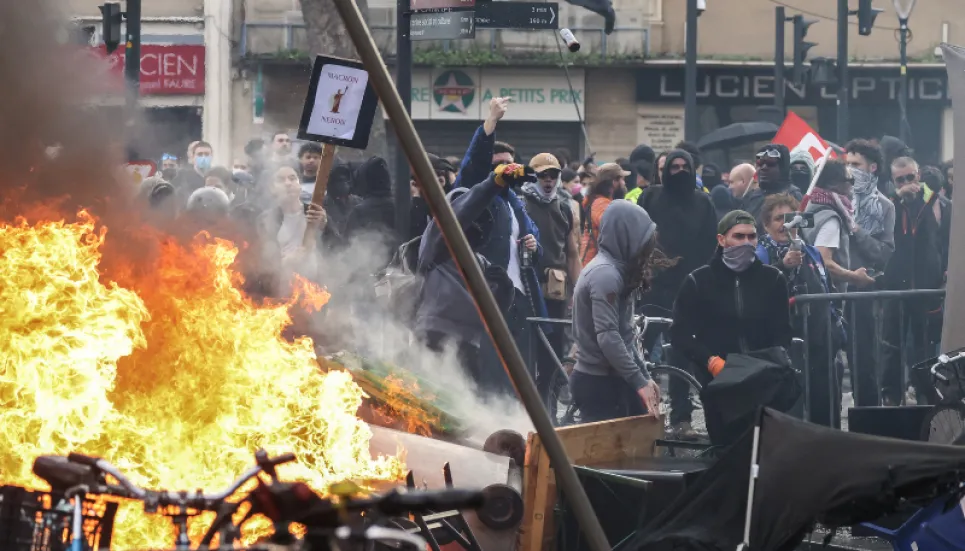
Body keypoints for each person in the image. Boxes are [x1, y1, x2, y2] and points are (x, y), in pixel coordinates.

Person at [416, 164, 527, 394]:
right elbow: (459, 213)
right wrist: (492, 183)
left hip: (469, 344)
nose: (473, 224)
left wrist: (505, 290)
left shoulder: (480, 262)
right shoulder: (435, 244)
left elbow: (494, 314)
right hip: (434, 336)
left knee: (464, 410)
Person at [638, 148, 719, 436]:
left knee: (683, 353)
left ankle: (682, 417)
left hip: (690, 287)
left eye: (686, 166)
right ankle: (639, 413)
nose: (680, 171)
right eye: (675, 166)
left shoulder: (703, 202)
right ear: (665, 170)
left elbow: (713, 244)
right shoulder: (650, 197)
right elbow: (640, 234)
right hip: (653, 286)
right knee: (641, 350)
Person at [672, 209, 792, 397]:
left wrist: (773, 361)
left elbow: (782, 330)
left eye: (751, 236)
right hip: (718, 378)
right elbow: (680, 333)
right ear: (722, 240)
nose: (746, 242)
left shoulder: (773, 279)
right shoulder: (698, 281)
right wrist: (709, 361)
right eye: (738, 236)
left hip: (764, 377)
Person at [570, 200, 662, 422]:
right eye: (643, 240)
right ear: (627, 235)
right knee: (603, 454)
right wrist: (639, 381)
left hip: (613, 377)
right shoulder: (606, 275)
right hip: (599, 383)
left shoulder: (619, 270)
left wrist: (645, 378)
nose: (646, 249)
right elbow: (609, 337)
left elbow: (626, 335)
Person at [756, 195, 840, 427]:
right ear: (766, 224)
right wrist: (782, 265)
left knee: (823, 403)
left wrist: (835, 326)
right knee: (789, 408)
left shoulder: (811, 251)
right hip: (782, 342)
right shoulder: (760, 252)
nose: (785, 224)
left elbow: (826, 287)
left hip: (819, 341)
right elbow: (756, 287)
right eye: (778, 219)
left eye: (790, 217)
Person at [881, 156, 946, 405]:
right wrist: (898, 198)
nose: (907, 183)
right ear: (893, 180)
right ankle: (891, 395)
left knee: (925, 344)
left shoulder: (936, 201)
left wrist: (945, 271)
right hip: (896, 285)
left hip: (927, 286)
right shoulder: (889, 203)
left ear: (918, 175)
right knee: (891, 344)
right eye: (901, 179)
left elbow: (946, 238)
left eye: (911, 177)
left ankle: (925, 394)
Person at [521, 152, 582, 390]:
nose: (548, 180)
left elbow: (572, 253)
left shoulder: (565, 208)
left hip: (556, 289)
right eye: (543, 175)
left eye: (553, 175)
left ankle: (550, 407)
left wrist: (578, 290)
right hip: (526, 285)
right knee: (526, 350)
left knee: (554, 351)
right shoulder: (520, 204)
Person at [843, 139, 896, 406]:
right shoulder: (834, 198)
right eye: (847, 164)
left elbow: (884, 253)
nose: (850, 170)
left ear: (872, 167)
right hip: (831, 288)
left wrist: (857, 230)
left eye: (856, 164)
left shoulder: (884, 206)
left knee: (864, 359)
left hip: (863, 290)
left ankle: (866, 417)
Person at [802, 159, 876, 293]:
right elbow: (823, 263)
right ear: (834, 184)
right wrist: (854, 277)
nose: (853, 185)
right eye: (850, 180)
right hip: (827, 300)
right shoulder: (831, 218)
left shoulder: (807, 211)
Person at [580, 163, 629, 266]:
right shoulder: (601, 203)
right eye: (622, 179)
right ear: (614, 182)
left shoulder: (601, 201)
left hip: (597, 264)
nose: (624, 183)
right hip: (595, 266)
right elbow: (614, 229)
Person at [742, 144, 803, 222]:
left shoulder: (793, 195)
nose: (763, 168)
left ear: (782, 169)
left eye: (770, 164)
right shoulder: (751, 196)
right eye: (760, 164)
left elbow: (802, 229)